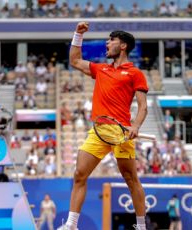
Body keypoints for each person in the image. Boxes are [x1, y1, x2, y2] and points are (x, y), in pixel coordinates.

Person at [60, 22, 149, 230]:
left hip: (122, 133)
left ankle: (142, 226)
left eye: (111, 40)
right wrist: (78, 34)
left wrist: (135, 126)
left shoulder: (135, 73)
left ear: (123, 46)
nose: (107, 44)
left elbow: (143, 105)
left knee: (131, 179)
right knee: (79, 174)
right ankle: (72, 225)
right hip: (99, 131)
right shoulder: (101, 70)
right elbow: (74, 60)